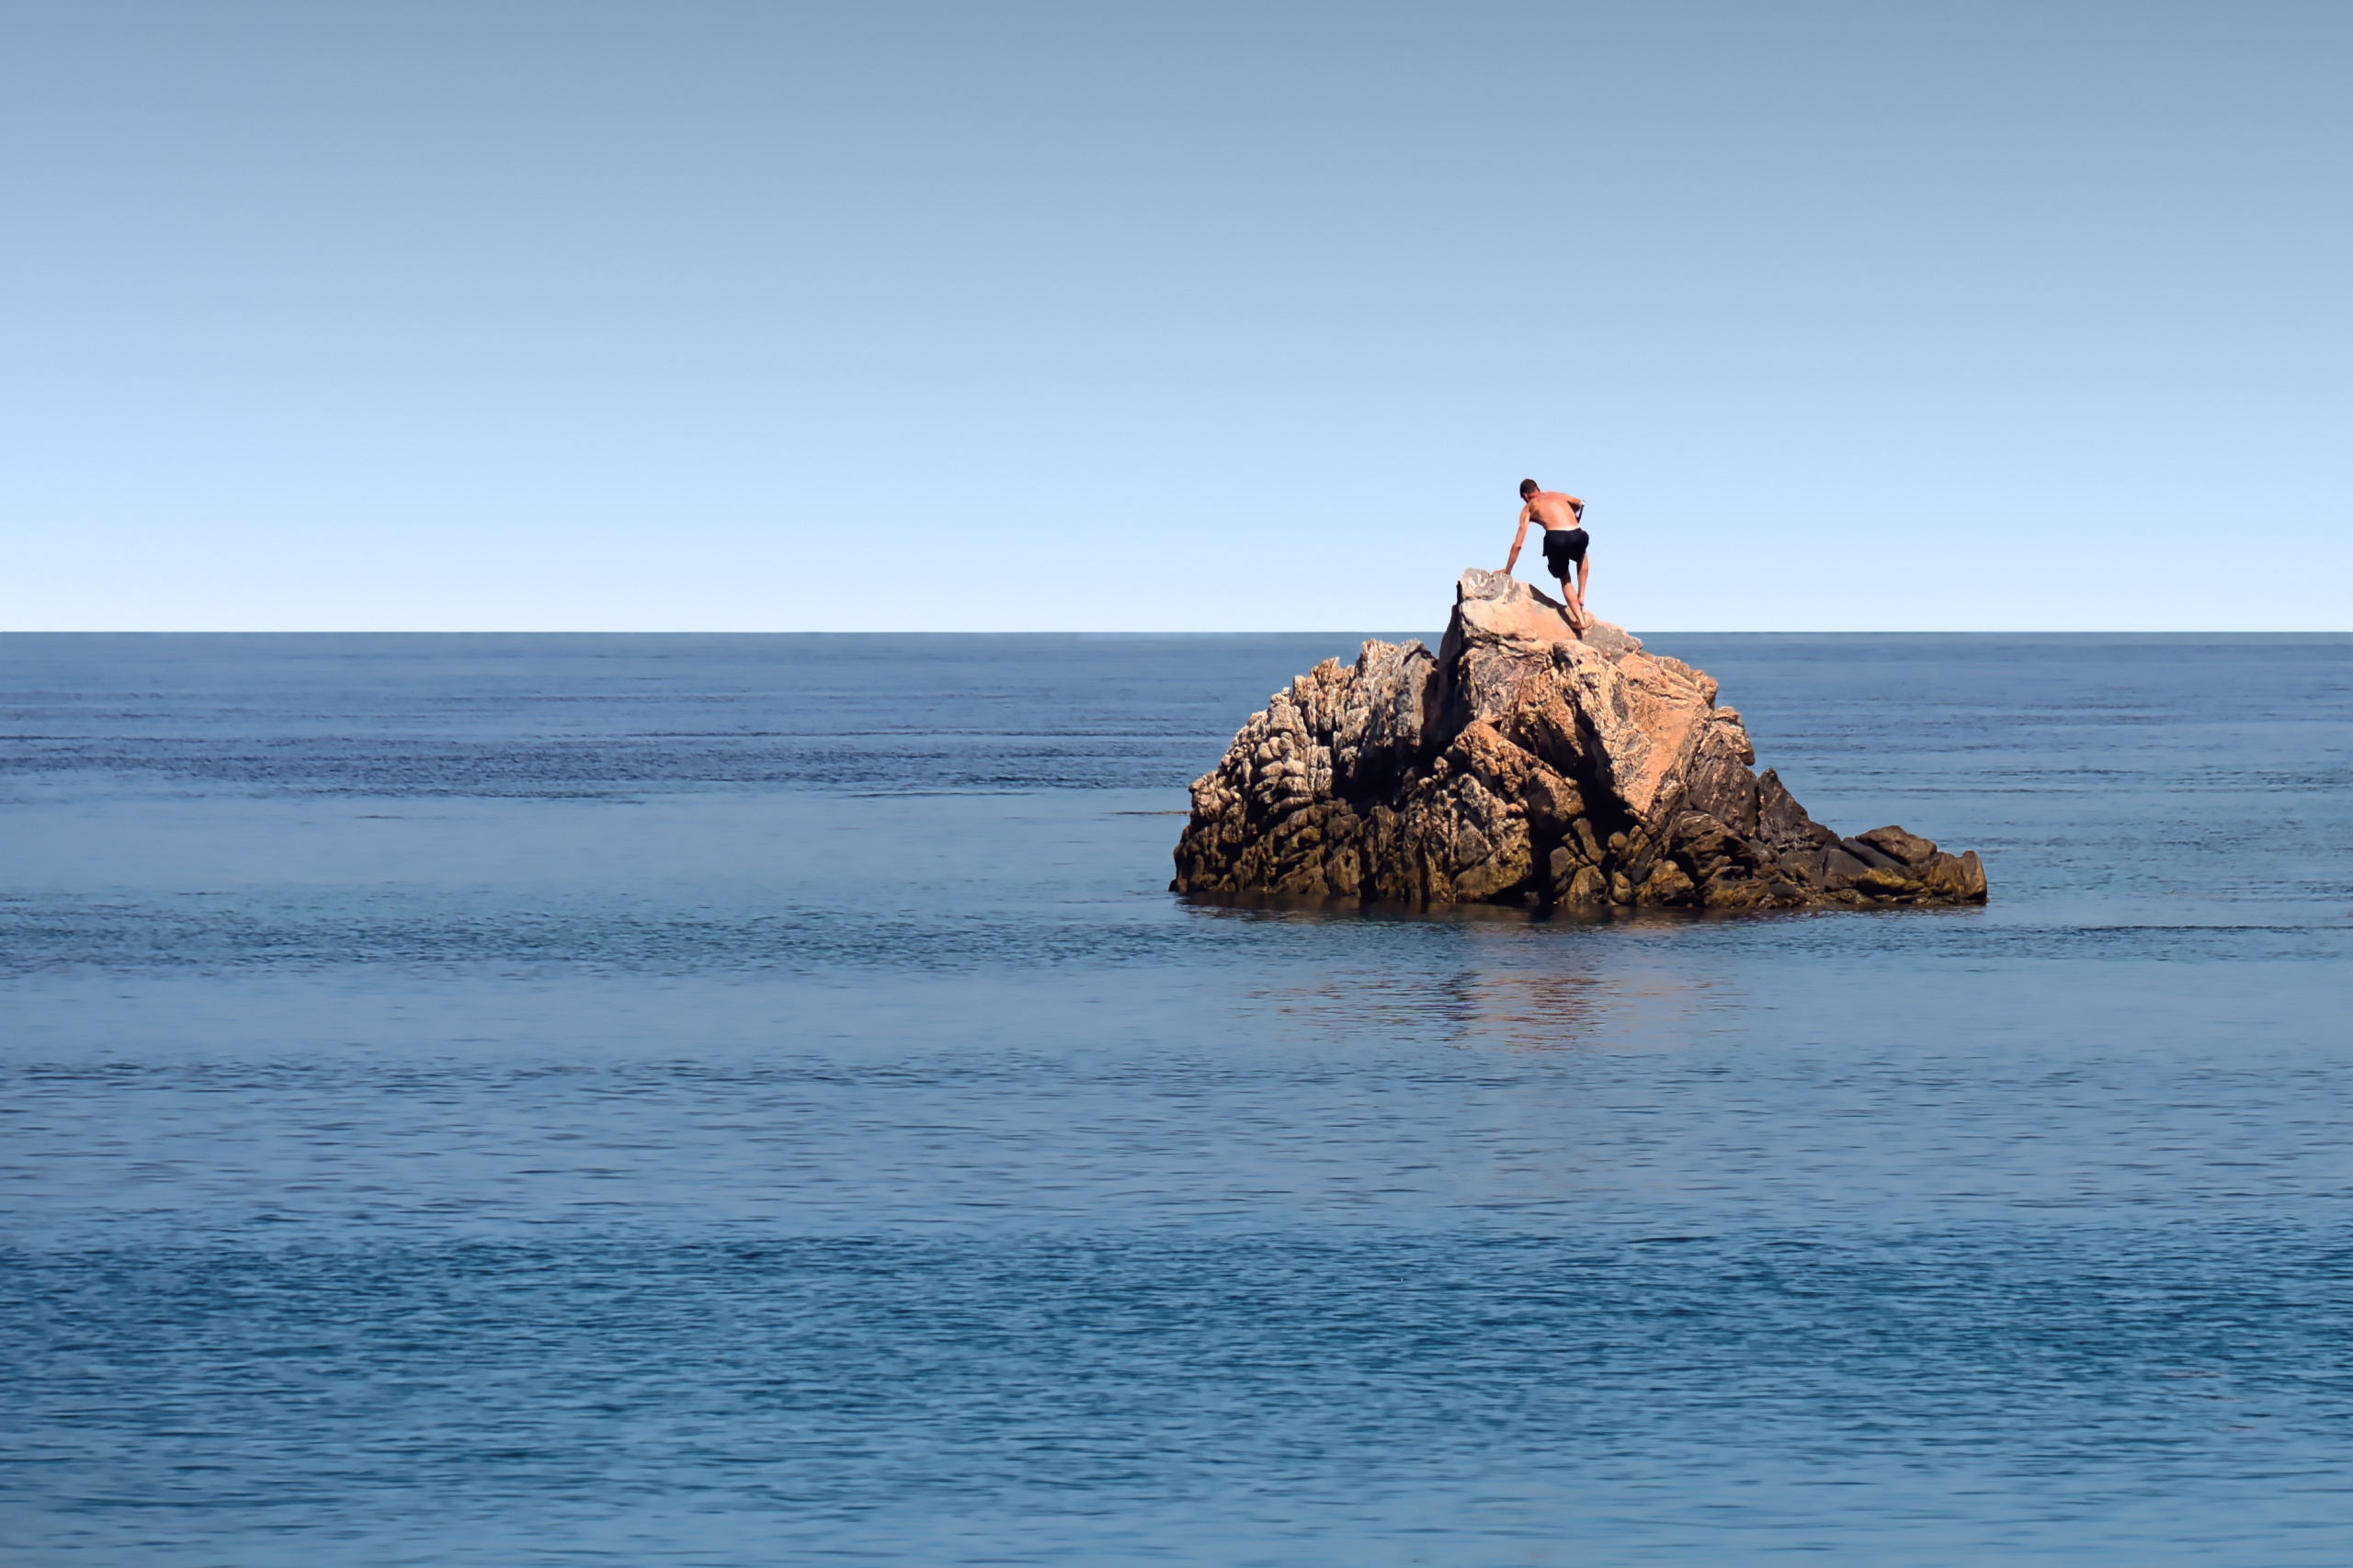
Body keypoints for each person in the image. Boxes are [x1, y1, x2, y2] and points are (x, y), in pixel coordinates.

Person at [1502, 478, 1591, 631]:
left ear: (1525, 496)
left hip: (1555, 538)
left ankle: (1579, 619)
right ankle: (1581, 595)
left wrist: (1507, 570)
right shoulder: (1557, 495)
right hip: (1577, 534)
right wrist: (1572, 512)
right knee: (1581, 555)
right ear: (1538, 488)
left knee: (1564, 578)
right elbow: (1579, 503)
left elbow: (1518, 544)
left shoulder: (1529, 507)